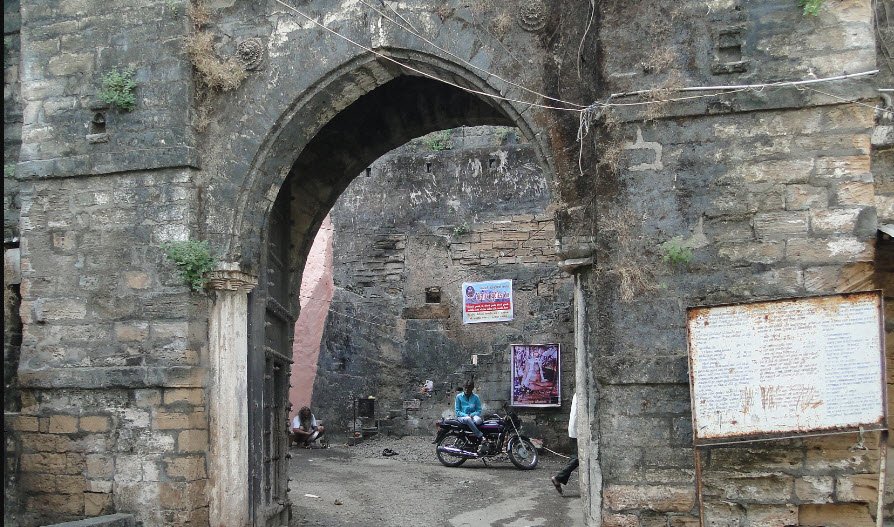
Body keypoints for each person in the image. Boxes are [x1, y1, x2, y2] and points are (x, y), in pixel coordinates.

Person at [550, 392, 579, 495]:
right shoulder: (580, 393)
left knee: (574, 457)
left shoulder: (577, 394)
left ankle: (560, 478)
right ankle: (558, 477)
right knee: (578, 458)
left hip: (574, 429)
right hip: (577, 430)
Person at [455, 380, 487, 455]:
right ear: (463, 388)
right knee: (468, 419)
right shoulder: (459, 397)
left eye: (469, 388)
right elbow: (457, 411)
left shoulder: (476, 397)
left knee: (479, 420)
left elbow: (479, 410)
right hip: (462, 417)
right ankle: (480, 435)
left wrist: (472, 414)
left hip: (472, 416)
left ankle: (473, 439)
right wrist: (466, 415)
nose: (467, 390)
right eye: (465, 388)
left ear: (472, 388)